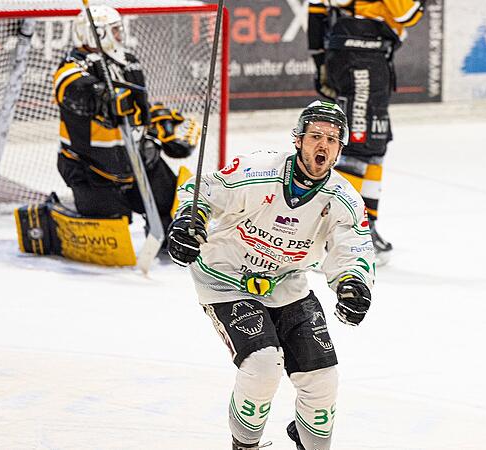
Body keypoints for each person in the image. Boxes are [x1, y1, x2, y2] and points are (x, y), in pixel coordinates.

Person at [167, 101, 376, 450]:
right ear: (298, 140)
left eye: (331, 139)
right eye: (315, 136)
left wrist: (353, 284)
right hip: (226, 279)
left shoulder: (344, 199)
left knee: (323, 379)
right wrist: (189, 222)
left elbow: (353, 247)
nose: (322, 145)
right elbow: (202, 189)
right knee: (264, 365)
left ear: (340, 148)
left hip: (287, 285)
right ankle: (245, 446)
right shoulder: (258, 170)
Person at [53, 5, 196, 242]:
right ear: (97, 34)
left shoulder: (128, 62)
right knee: (109, 228)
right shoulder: (72, 66)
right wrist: (100, 96)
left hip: (137, 161)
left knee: (172, 206)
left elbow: (139, 108)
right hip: (92, 168)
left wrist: (161, 125)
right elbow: (72, 89)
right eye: (115, 30)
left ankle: (164, 235)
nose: (121, 35)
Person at [307, 0, 426, 265]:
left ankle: (365, 225)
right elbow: (407, 12)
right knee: (358, 146)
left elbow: (316, 7)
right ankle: (334, 235)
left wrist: (319, 57)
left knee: (374, 144)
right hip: (362, 55)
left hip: (361, 52)